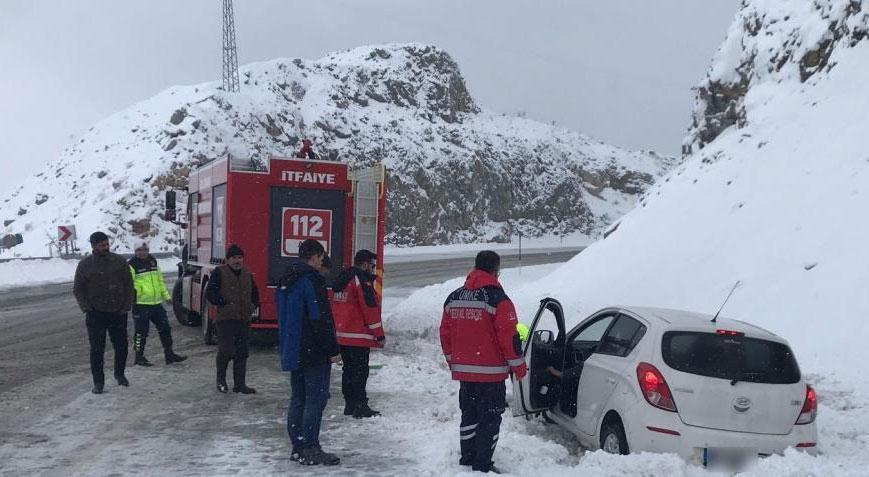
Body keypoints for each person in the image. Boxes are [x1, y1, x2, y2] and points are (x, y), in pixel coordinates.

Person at [439, 250, 527, 473]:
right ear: (495, 270)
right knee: (489, 419)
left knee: (468, 416)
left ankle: (467, 457)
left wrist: (453, 362)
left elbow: (445, 335)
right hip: (491, 375)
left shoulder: (454, 297)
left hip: (465, 375)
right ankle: (482, 464)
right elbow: (509, 337)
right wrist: (519, 367)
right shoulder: (498, 299)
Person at [275, 239, 341, 466]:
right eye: (321, 257)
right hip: (313, 350)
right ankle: (311, 447)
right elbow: (319, 317)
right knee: (315, 399)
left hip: (293, 348)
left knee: (298, 398)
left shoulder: (286, 279)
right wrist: (332, 348)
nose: (321, 261)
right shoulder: (311, 280)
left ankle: (298, 446)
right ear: (314, 257)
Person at [73, 231, 134, 394]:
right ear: (93, 246)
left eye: (107, 244)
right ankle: (98, 382)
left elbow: (129, 284)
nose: (105, 247)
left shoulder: (119, 261)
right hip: (95, 313)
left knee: (122, 346)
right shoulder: (85, 265)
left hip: (118, 311)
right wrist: (86, 307)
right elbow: (78, 289)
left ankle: (120, 375)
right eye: (101, 245)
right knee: (97, 349)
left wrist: (126, 305)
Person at [331, 249, 384, 418]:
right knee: (360, 372)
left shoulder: (343, 279)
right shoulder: (360, 281)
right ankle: (361, 406)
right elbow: (370, 309)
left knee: (348, 371)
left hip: (343, 334)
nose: (372, 268)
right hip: (358, 336)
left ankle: (350, 404)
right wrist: (379, 334)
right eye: (372, 265)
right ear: (365, 264)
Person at [205, 244, 260, 394]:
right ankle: (221, 381)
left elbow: (255, 293)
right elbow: (210, 293)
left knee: (242, 352)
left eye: (240, 258)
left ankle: (240, 384)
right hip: (225, 319)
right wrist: (223, 303)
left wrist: (253, 306)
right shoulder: (219, 272)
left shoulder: (247, 274)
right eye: (234, 258)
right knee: (226, 350)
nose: (237, 261)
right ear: (227, 260)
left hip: (243, 319)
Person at [128, 241, 187, 366]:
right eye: (139, 250)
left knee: (165, 328)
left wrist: (166, 296)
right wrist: (135, 296)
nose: (142, 252)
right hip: (141, 304)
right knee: (141, 332)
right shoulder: (131, 265)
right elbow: (128, 284)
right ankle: (139, 357)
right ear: (135, 251)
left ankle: (169, 354)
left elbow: (160, 281)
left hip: (156, 304)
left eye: (144, 249)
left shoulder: (153, 262)